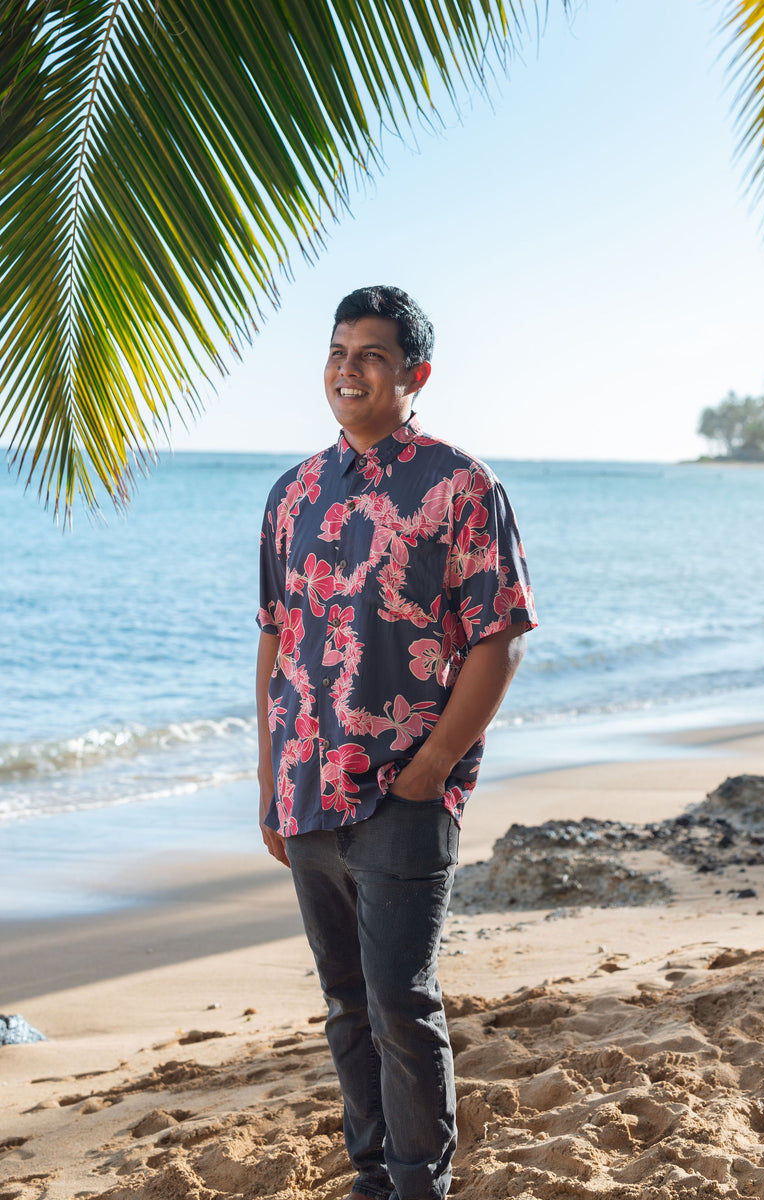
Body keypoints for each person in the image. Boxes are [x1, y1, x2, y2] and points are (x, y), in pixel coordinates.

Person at [255, 285, 536, 1200]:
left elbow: (499, 638)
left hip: (403, 795)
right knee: (344, 1005)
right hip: (306, 789)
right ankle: (373, 1178)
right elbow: (275, 638)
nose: (348, 368)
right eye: (338, 351)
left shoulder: (461, 485)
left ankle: (420, 1185)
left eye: (371, 354)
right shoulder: (291, 494)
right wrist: (267, 780)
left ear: (415, 375)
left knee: (401, 1004)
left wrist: (433, 765)